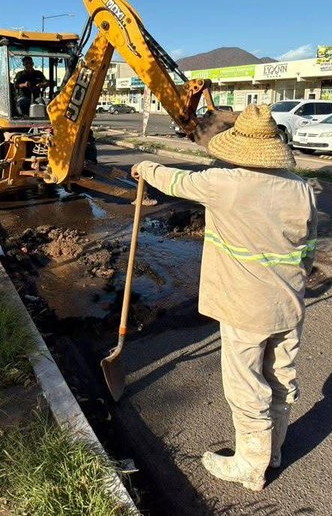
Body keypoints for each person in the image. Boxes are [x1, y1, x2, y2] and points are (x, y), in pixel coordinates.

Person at [131, 104, 317, 491]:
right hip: (289, 304)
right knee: (280, 376)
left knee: (246, 385)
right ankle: (274, 450)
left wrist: (145, 168)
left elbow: (175, 181)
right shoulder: (302, 190)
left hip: (246, 307)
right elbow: (308, 250)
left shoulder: (224, 183)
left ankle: (251, 465)